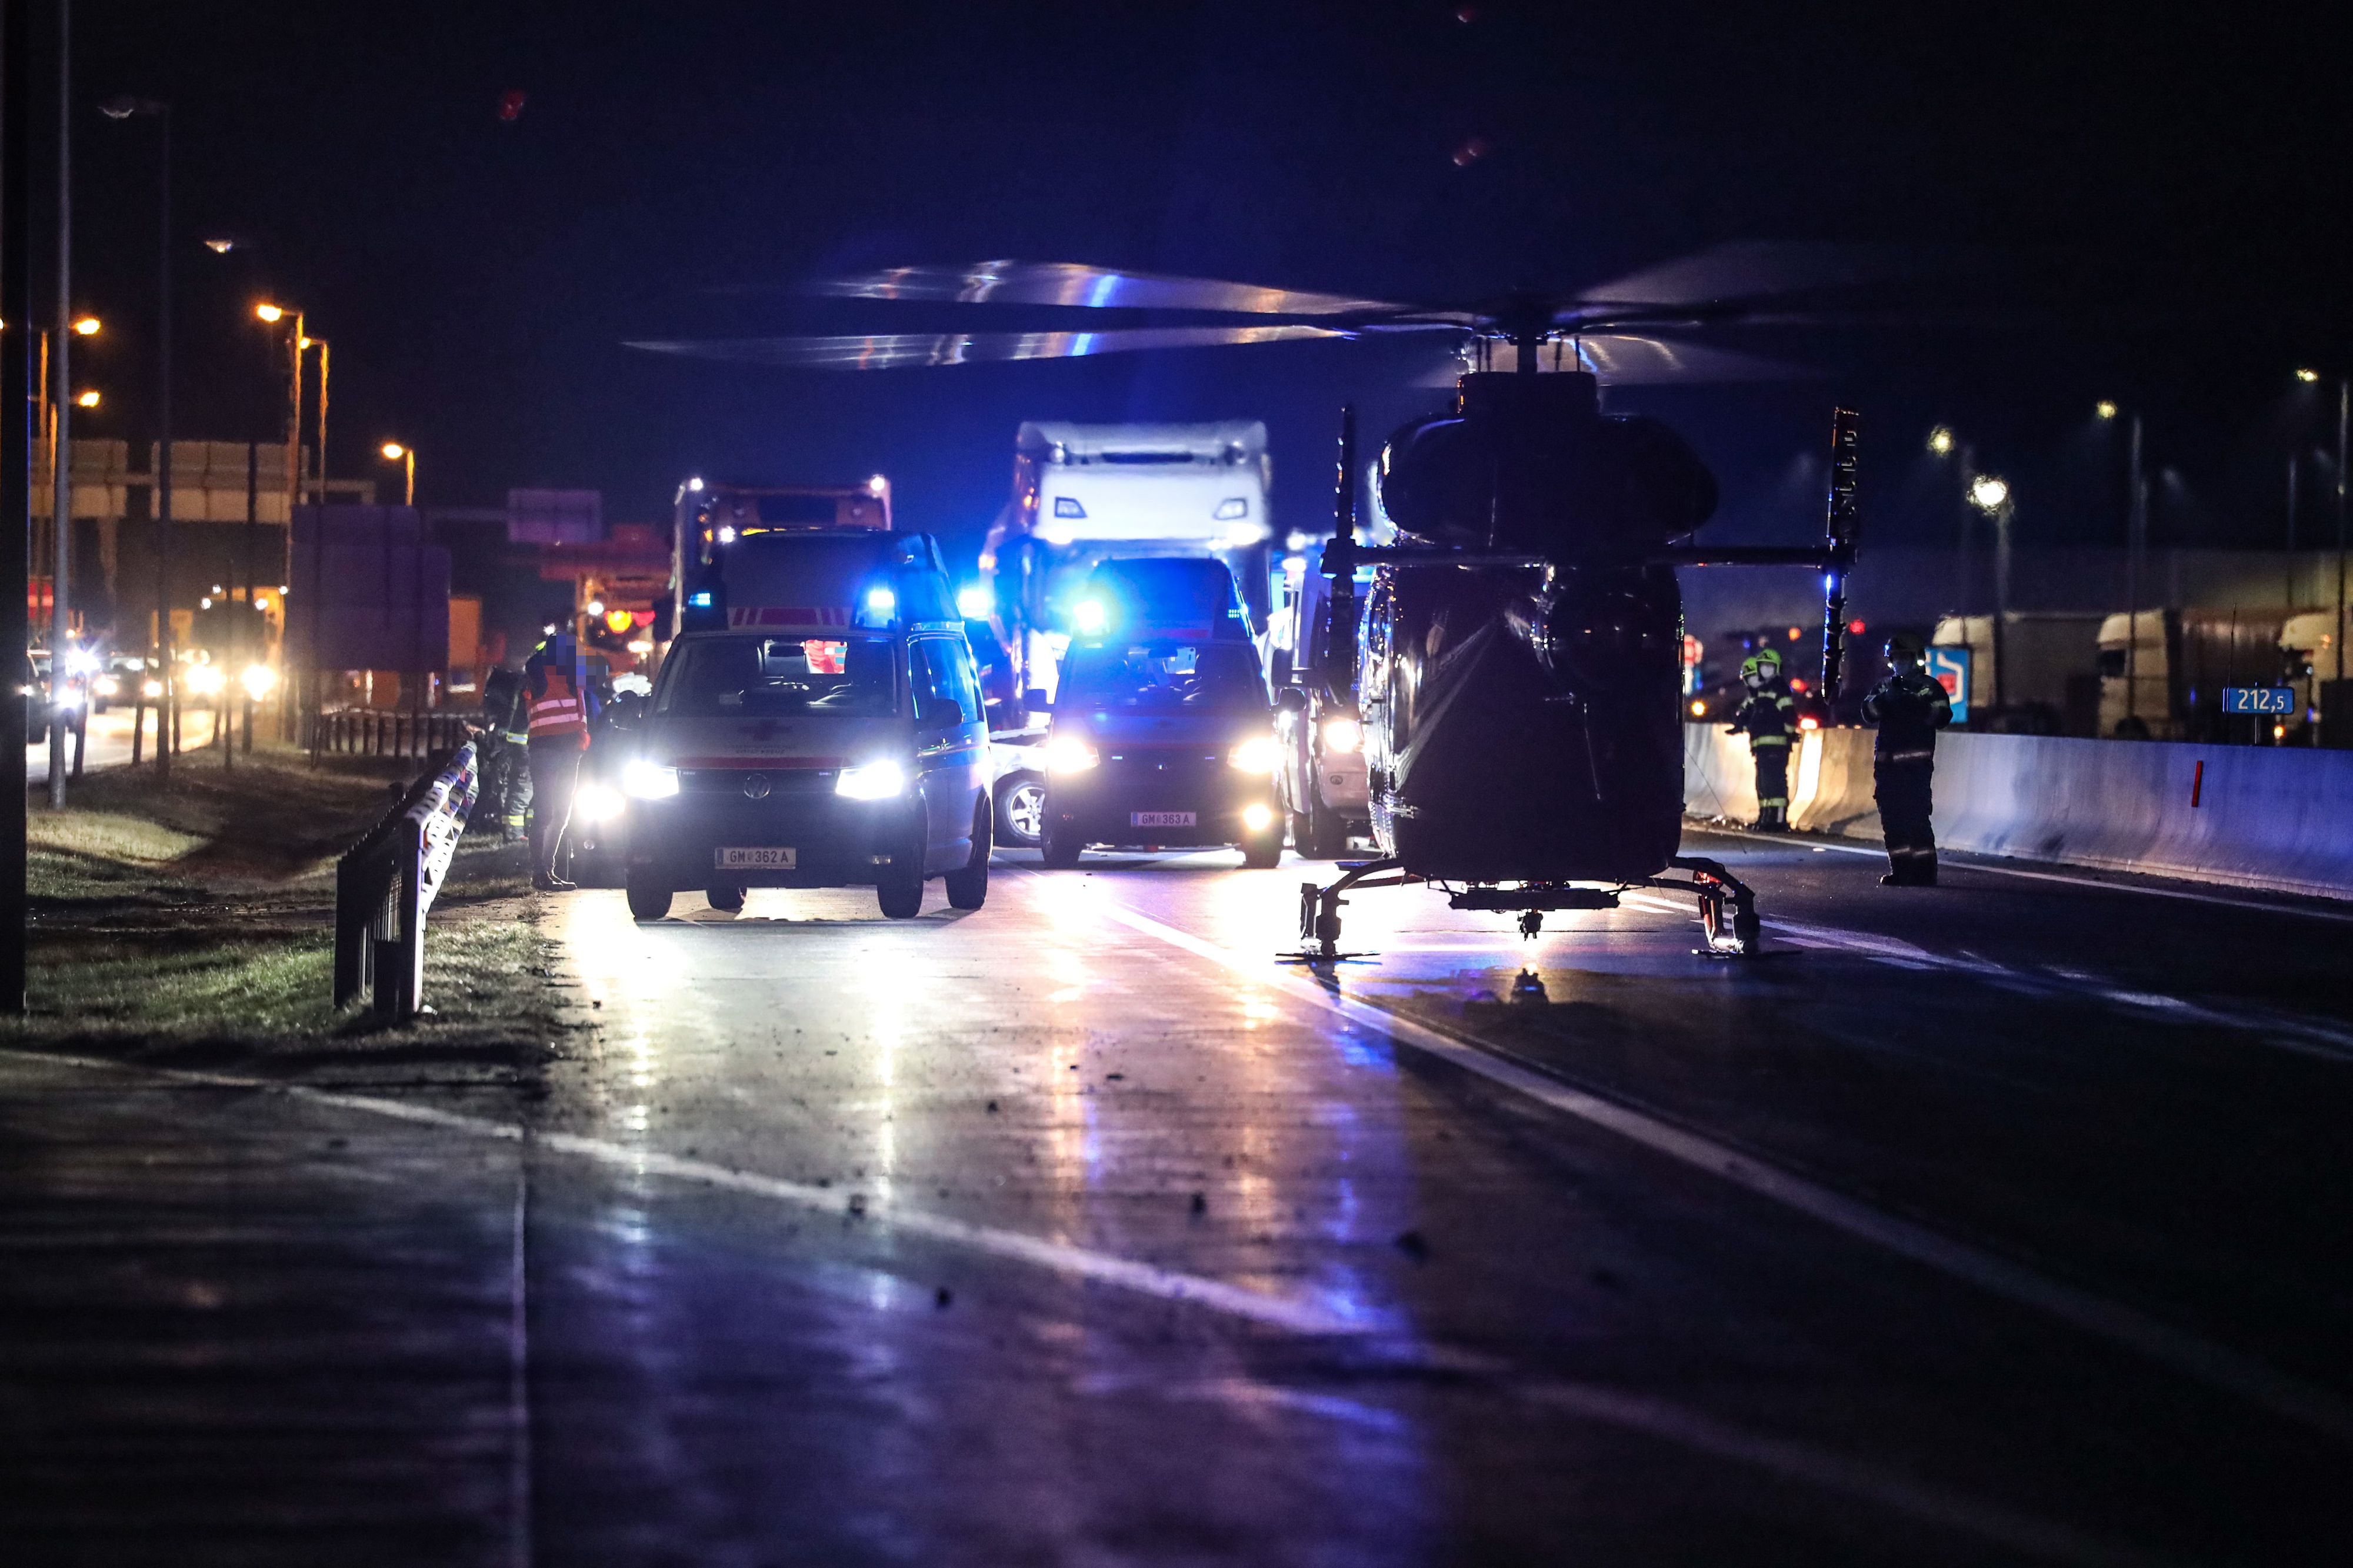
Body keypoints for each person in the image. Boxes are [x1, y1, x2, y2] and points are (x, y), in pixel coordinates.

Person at [1862, 632, 1954, 886]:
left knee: (1916, 819)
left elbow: (1943, 716)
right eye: (1896, 658)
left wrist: (1917, 705)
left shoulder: (1929, 687)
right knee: (1892, 820)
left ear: (1917, 659)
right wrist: (1886, 699)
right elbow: (1867, 712)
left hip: (1915, 769)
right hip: (1887, 770)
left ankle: (1925, 873)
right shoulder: (1884, 687)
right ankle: (1901, 870)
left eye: (1904, 657)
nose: (1899, 662)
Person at [523, 630, 600, 892]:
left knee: (562, 814)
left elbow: (597, 675)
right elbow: (531, 664)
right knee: (545, 812)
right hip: (546, 751)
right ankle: (539, 873)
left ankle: (548, 870)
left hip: (569, 753)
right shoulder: (539, 672)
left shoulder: (573, 678)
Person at [1727, 647, 1797, 830]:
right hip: (1762, 747)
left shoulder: (1779, 690)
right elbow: (1747, 710)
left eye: (1769, 666)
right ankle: (1766, 818)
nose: (1765, 670)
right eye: (1762, 666)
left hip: (1776, 746)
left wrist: (1789, 735)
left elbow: (1789, 716)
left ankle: (1778, 821)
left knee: (1776, 786)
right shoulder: (1760, 693)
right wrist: (1739, 726)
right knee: (1764, 785)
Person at [479, 665, 531, 843]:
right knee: (523, 787)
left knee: (526, 788)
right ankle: (514, 833)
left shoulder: (525, 683)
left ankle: (524, 830)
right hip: (526, 744)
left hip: (522, 743)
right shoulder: (534, 685)